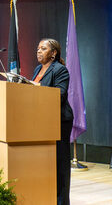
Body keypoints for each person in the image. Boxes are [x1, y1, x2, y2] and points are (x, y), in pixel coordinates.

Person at [33, 38, 74, 205]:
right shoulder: (38, 69)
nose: (39, 51)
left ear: (53, 53)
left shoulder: (60, 70)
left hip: (59, 121)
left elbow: (60, 94)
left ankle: (62, 201)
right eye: (38, 48)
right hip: (42, 120)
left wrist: (38, 88)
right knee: (46, 164)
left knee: (60, 164)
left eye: (43, 48)